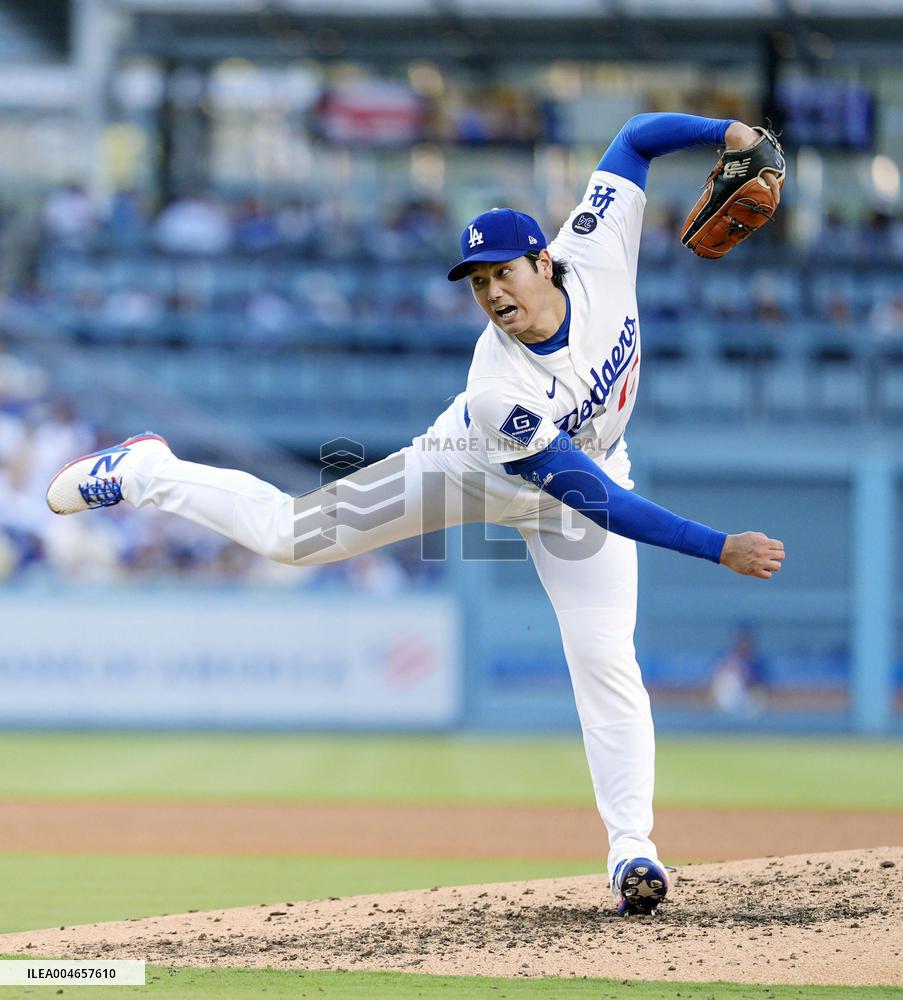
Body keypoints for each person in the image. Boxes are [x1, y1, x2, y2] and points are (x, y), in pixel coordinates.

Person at [46, 112, 785, 916]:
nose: (492, 293)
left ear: (543, 261)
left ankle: (631, 852)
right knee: (291, 537)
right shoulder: (495, 387)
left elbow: (636, 137)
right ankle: (148, 471)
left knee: (605, 659)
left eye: (502, 273)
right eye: (477, 283)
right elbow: (593, 501)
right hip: (468, 469)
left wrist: (728, 131)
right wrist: (716, 546)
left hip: (589, 471)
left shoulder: (596, 245)